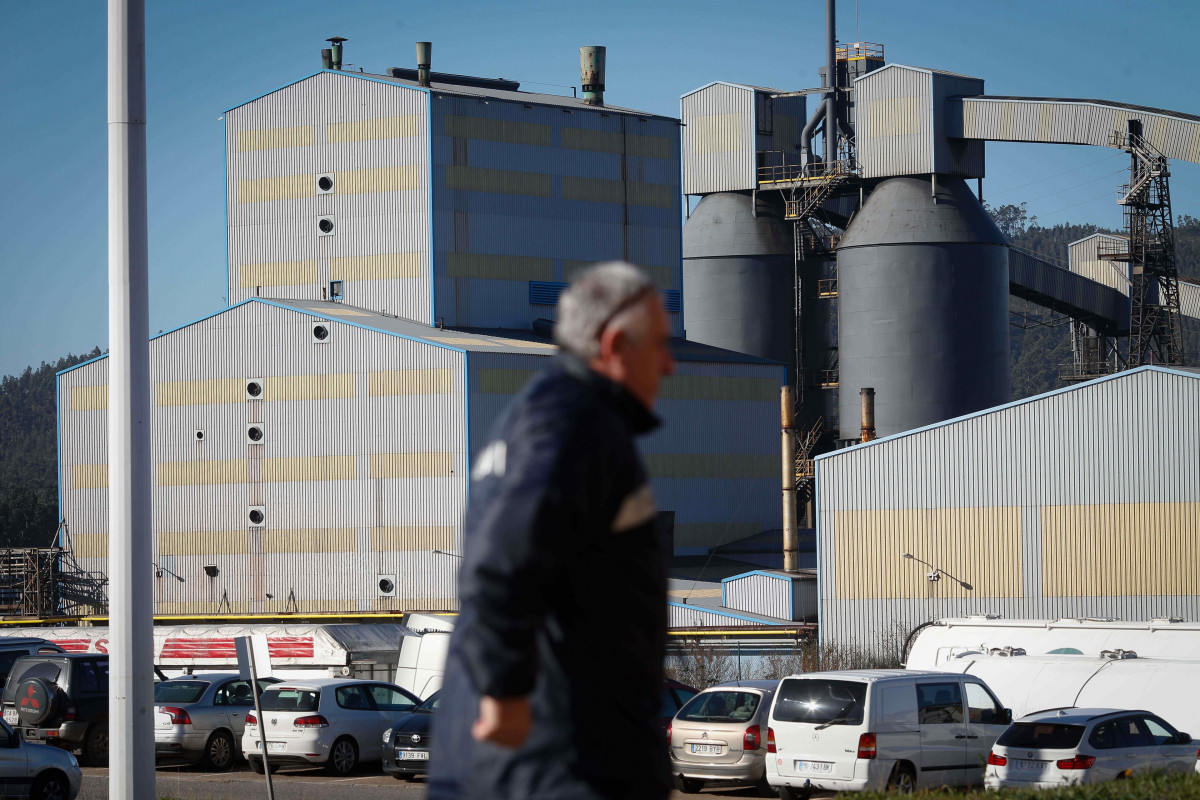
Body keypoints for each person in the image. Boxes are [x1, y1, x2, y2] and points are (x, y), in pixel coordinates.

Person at [428, 262, 675, 800]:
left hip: (511, 763)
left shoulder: (537, 417)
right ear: (613, 343)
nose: (669, 364)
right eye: (658, 344)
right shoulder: (578, 423)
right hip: (559, 762)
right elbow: (501, 561)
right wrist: (506, 694)